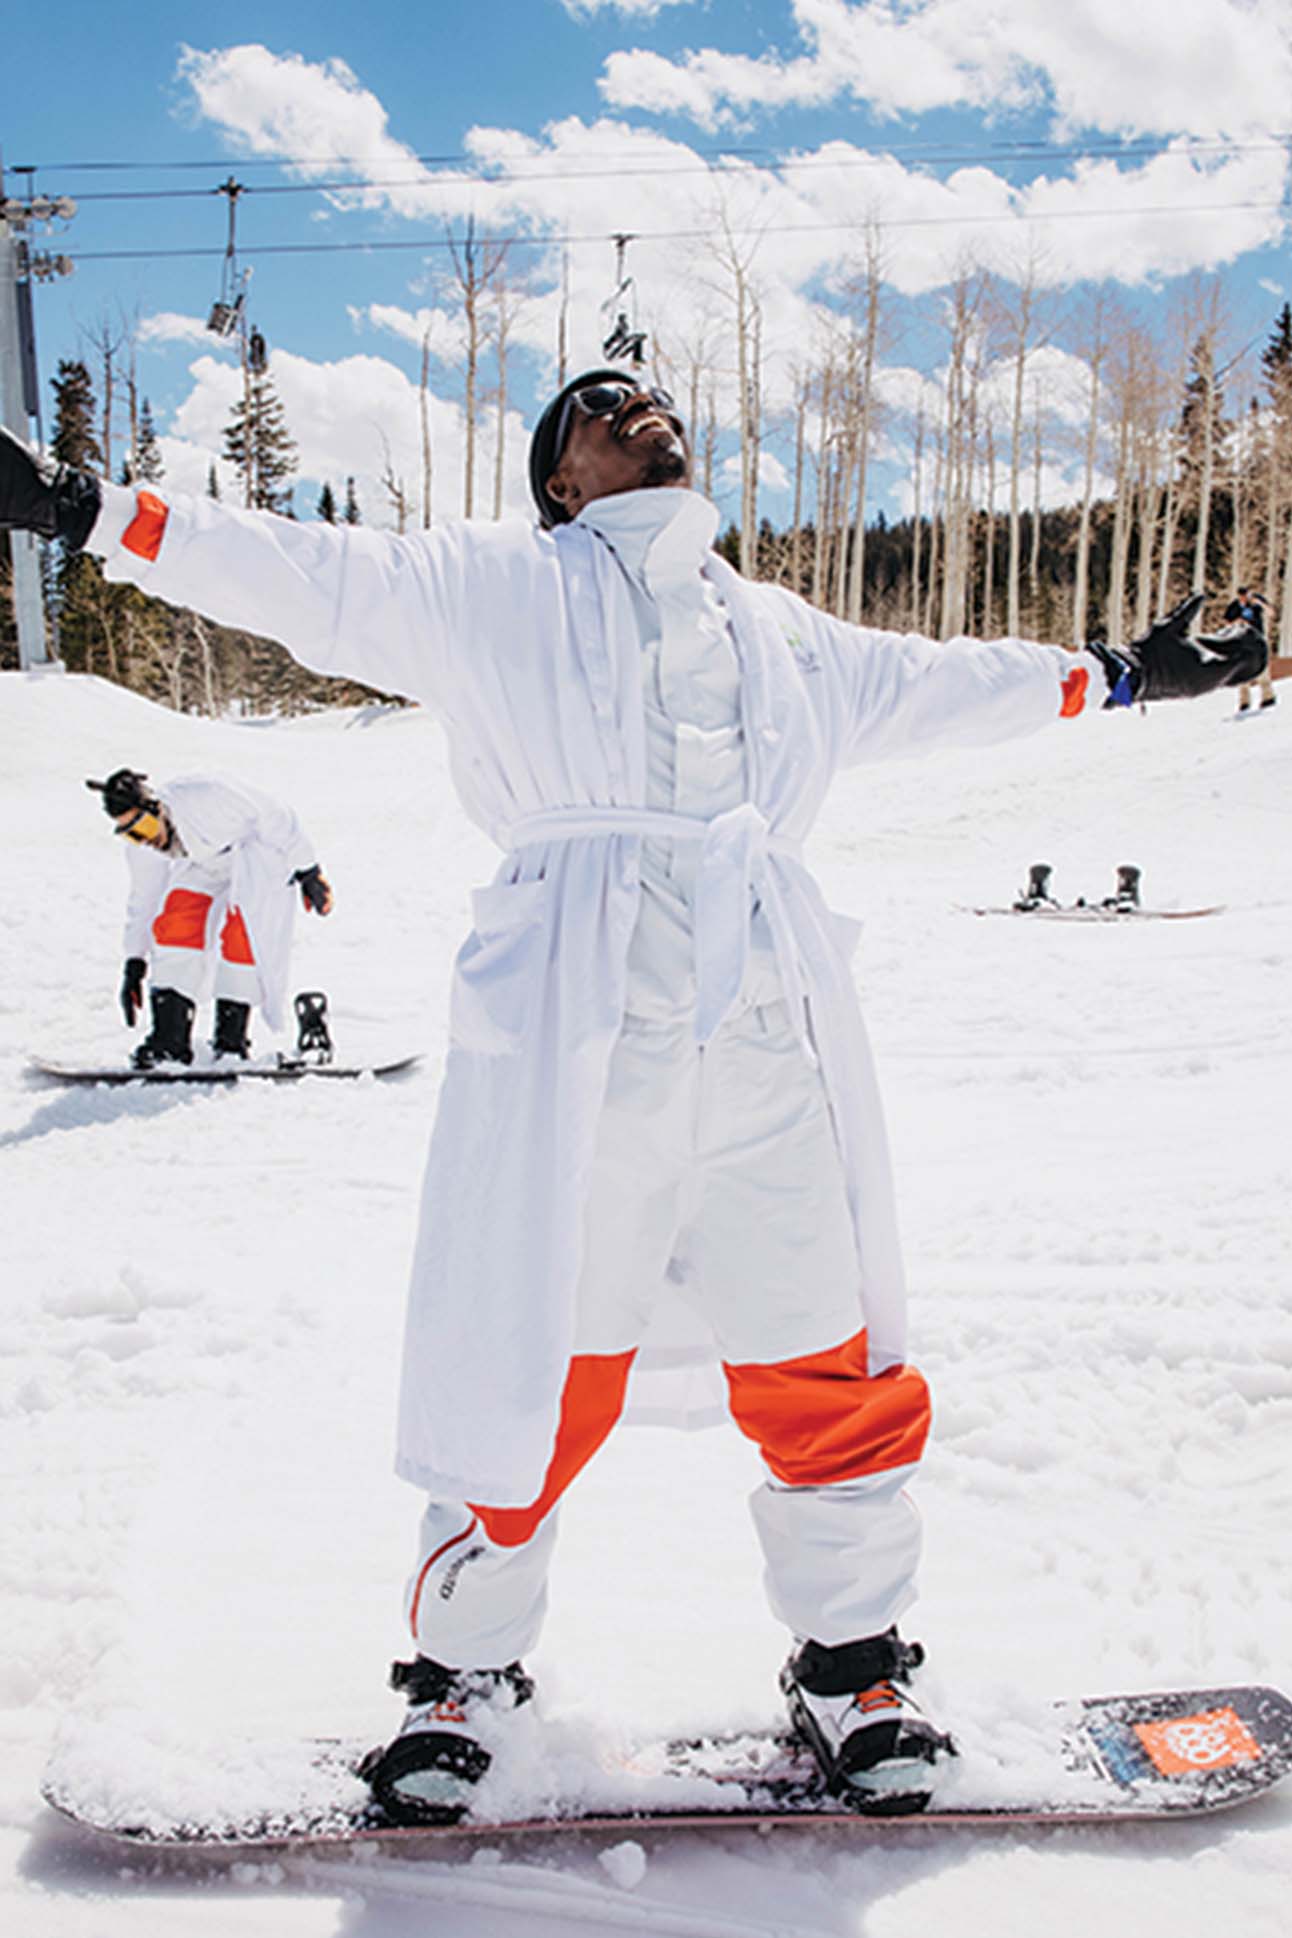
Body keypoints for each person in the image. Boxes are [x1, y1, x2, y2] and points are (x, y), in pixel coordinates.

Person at [1, 397, 1265, 1819]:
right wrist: (83, 506)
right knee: (531, 1360)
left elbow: (944, 680)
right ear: (561, 478)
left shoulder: (781, 632)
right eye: (599, 409)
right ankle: (463, 1682)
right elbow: (299, 572)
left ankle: (854, 1668)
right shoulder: (496, 588)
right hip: (574, 1036)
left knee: (821, 1352)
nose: (636, 402)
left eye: (649, 394)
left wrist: (1125, 673)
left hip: (768, 1031)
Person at [85, 764, 334, 1068]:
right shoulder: (146, 849)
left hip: (254, 855)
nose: (144, 839)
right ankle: (169, 1039)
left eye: (145, 828)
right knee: (175, 920)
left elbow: (276, 816)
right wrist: (134, 962)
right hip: (202, 865)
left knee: (242, 931)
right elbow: (144, 900)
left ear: (157, 808)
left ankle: (231, 1041)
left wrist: (309, 870)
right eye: (131, 835)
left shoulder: (204, 795)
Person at [1225, 587, 1275, 712]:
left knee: (1262, 668)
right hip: (1242, 641)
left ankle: (1268, 696)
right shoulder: (1234, 606)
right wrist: (1237, 621)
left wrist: (1260, 603)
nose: (1244, 599)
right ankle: (1244, 701)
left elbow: (1271, 613)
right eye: (1241, 596)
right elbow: (1227, 621)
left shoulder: (1255, 603)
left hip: (1257, 639)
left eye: (1245, 596)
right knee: (1243, 670)